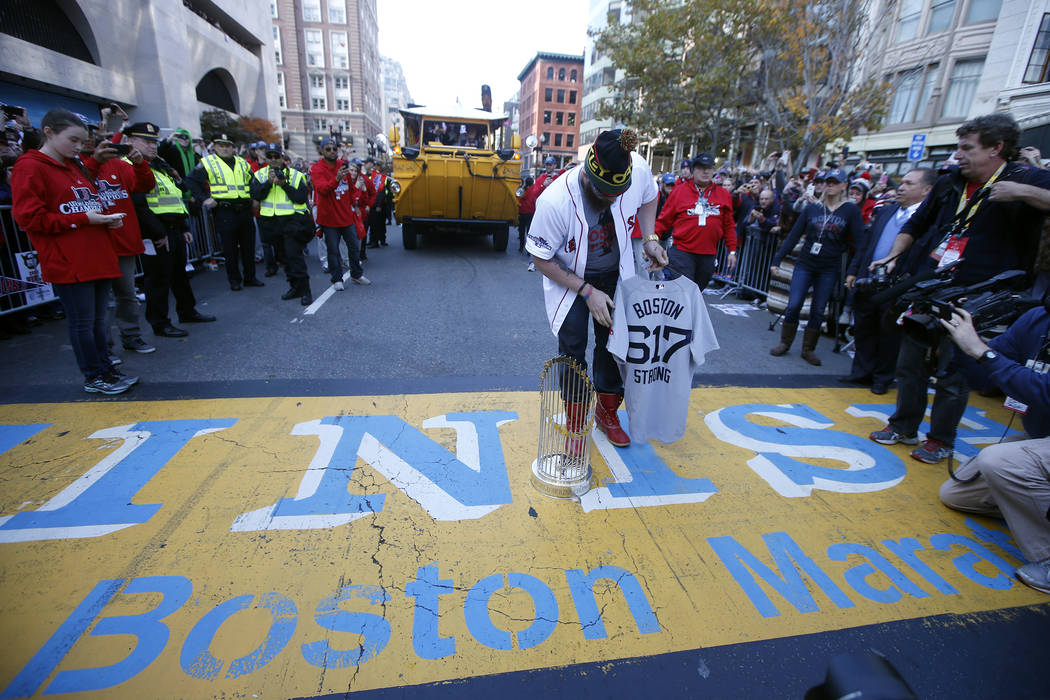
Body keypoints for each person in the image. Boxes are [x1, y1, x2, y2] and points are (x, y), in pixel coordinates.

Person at [869, 113, 1050, 464]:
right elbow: (917, 225)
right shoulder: (949, 182)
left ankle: (941, 439)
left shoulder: (1025, 177)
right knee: (910, 362)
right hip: (931, 285)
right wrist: (892, 256)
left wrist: (1023, 193)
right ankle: (903, 425)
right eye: (958, 147)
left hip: (980, 295)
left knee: (955, 371)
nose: (958, 155)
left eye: (967, 148)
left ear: (996, 148)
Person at [525, 128, 667, 448]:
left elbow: (650, 195)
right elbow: (540, 257)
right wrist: (587, 291)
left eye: (616, 194)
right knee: (573, 349)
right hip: (571, 278)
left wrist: (649, 238)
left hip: (615, 275)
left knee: (614, 346)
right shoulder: (555, 200)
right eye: (604, 192)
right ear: (588, 175)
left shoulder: (638, 169)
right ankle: (576, 425)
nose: (610, 199)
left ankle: (606, 413)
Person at [10, 109, 133, 394]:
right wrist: (85, 219)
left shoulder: (74, 166)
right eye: (73, 139)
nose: (78, 146)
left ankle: (105, 368)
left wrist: (102, 220)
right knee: (84, 322)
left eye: (82, 141)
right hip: (70, 260)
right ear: (49, 132)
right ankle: (94, 375)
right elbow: (29, 219)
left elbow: (86, 204)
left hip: (97, 254)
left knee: (99, 320)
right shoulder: (30, 166)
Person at [936, 300, 1050, 594]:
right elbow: (986, 373)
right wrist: (961, 343)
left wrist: (982, 351)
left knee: (1002, 462)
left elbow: (1045, 392)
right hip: (1041, 439)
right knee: (957, 494)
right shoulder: (1039, 318)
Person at [842, 168, 935, 394]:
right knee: (864, 327)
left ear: (926, 190)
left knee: (889, 333)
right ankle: (861, 372)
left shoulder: (927, 222)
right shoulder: (886, 212)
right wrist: (854, 271)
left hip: (897, 286)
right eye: (901, 182)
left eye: (909, 183)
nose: (901, 187)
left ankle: (882, 378)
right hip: (869, 280)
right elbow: (866, 245)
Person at [125, 122, 216, 338]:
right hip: (155, 232)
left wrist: (183, 226)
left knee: (179, 274)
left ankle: (187, 311)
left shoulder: (159, 164)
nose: (152, 146)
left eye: (154, 142)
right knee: (157, 279)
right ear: (130, 141)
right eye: (146, 142)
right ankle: (160, 322)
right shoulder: (128, 165)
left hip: (173, 228)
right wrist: (158, 233)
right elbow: (138, 204)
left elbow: (174, 196)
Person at [769, 168, 863, 365]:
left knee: (819, 309)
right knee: (794, 304)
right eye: (827, 181)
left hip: (829, 267)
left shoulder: (851, 210)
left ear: (844, 185)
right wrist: (777, 259)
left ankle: (808, 349)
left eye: (834, 182)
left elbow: (859, 244)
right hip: (805, 263)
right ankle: (785, 342)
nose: (829, 185)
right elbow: (794, 235)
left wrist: (853, 272)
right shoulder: (812, 208)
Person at [80, 131, 157, 356]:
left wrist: (140, 163)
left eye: (87, 136)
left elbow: (145, 185)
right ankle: (104, 348)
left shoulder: (117, 165)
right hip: (94, 244)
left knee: (127, 295)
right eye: (76, 138)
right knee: (101, 302)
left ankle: (131, 336)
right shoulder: (74, 165)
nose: (84, 141)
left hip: (123, 241)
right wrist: (95, 162)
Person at [187, 133, 261, 291]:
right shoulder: (208, 162)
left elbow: (252, 182)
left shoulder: (242, 162)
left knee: (249, 246)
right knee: (230, 248)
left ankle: (250, 277)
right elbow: (190, 181)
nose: (225, 148)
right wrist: (204, 199)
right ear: (214, 147)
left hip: (245, 209)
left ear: (233, 147)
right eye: (221, 145)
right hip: (225, 211)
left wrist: (255, 198)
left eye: (228, 145)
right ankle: (234, 280)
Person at [654, 152, 737, 290]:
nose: (705, 171)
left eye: (709, 168)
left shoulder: (723, 195)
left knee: (697, 293)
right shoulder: (679, 191)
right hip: (682, 252)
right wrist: (651, 240)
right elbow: (663, 220)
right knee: (685, 292)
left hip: (708, 254)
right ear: (693, 170)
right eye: (700, 167)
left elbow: (729, 225)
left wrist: (732, 251)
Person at [251, 143, 313, 305]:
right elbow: (256, 194)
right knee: (283, 258)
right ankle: (294, 287)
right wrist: (268, 183)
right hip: (272, 223)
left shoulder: (295, 175)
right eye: (269, 156)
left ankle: (305, 290)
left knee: (295, 256)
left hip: (292, 222)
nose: (273, 160)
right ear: (266, 158)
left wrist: (284, 184)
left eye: (276, 156)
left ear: (282, 157)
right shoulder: (259, 175)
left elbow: (300, 197)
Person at [310, 137, 370, 289]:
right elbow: (322, 190)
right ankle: (337, 279)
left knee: (354, 247)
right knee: (333, 250)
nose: (331, 151)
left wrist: (354, 204)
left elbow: (349, 188)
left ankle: (356, 274)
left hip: (346, 216)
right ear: (321, 151)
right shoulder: (317, 169)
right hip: (329, 218)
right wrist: (336, 179)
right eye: (328, 149)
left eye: (334, 149)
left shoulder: (343, 165)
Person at [363, 156, 388, 249]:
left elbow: (380, 190)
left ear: (371, 164)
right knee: (369, 223)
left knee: (376, 224)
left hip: (375, 204)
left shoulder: (377, 176)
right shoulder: (365, 175)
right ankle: (372, 240)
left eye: (367, 163)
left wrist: (379, 204)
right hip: (367, 204)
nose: (365, 165)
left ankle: (376, 241)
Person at [517, 176, 537, 255]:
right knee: (529, 232)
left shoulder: (522, 191)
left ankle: (521, 247)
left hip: (522, 213)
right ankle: (529, 250)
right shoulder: (534, 190)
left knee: (521, 231)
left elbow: (518, 199)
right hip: (531, 213)